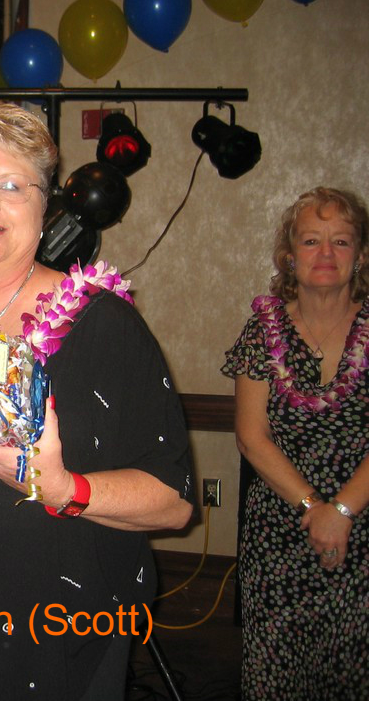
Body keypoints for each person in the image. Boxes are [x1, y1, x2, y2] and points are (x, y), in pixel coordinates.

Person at [0, 100, 193, 700]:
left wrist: (62, 488)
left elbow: (173, 503)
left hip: (58, 642)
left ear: (45, 206)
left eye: (12, 185)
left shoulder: (105, 327)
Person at [223, 187, 368, 699]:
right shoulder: (262, 331)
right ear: (289, 256)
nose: (326, 253)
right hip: (280, 528)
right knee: (277, 677)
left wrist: (342, 512)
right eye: (311, 241)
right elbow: (251, 437)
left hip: (364, 523)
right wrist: (315, 509)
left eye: (341, 241)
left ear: (361, 255)